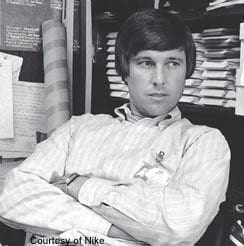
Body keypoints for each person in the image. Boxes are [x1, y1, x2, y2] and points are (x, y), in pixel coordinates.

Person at [0, 9, 230, 246]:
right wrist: (116, 230)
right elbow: (12, 197)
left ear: (187, 70)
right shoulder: (79, 128)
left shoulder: (203, 142)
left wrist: (80, 186)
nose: (160, 79)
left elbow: (181, 226)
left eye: (173, 63)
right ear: (124, 70)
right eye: (146, 62)